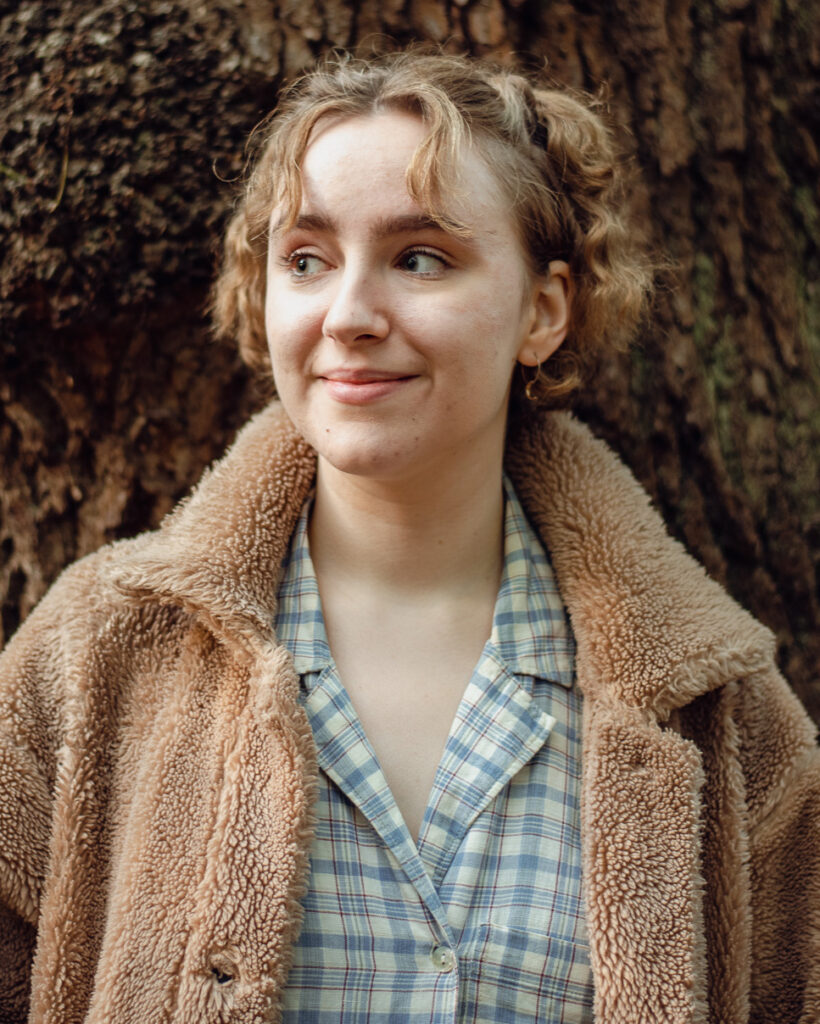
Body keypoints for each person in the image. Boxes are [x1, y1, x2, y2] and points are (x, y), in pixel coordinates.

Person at [0, 49, 817, 1024]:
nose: (347, 315)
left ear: (544, 310)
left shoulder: (716, 710)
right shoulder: (93, 654)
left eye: (419, 256)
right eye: (306, 259)